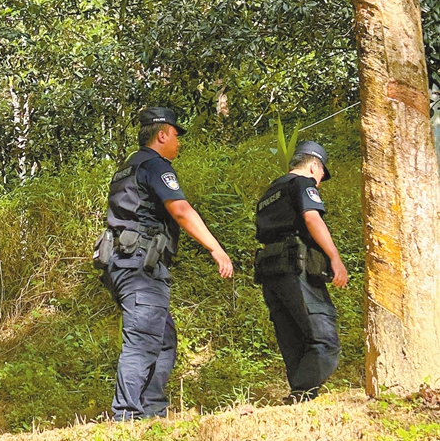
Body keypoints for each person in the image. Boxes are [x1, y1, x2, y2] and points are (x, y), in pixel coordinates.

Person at [104, 106, 234, 420]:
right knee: (144, 339)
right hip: (140, 265)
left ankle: (152, 411)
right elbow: (181, 210)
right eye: (176, 134)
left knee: (161, 339)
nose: (178, 142)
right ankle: (126, 416)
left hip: (123, 261)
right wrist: (216, 249)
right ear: (162, 134)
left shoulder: (127, 167)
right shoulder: (155, 165)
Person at [255, 140, 348, 402]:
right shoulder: (303, 184)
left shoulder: (269, 194)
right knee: (324, 338)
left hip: (271, 270)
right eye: (320, 175)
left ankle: (300, 394)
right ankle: (303, 393)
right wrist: (335, 258)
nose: (319, 183)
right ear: (313, 166)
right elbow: (311, 217)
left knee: (292, 335)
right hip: (297, 267)